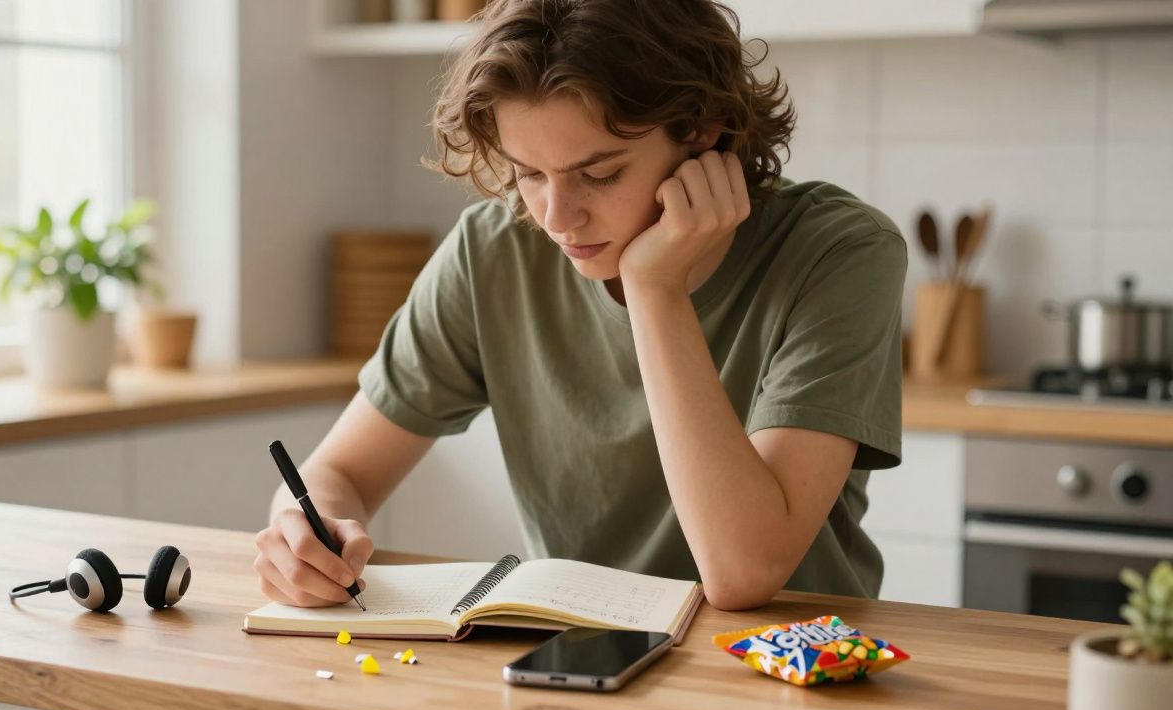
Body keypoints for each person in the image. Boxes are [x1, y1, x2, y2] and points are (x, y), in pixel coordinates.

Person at [253, 0, 905, 611]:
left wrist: (654, 289)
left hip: (787, 678)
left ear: (704, 130)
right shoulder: (493, 251)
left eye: (600, 173)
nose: (557, 218)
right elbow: (338, 471)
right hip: (576, 668)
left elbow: (744, 573)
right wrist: (304, 533)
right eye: (530, 174)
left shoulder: (839, 253)